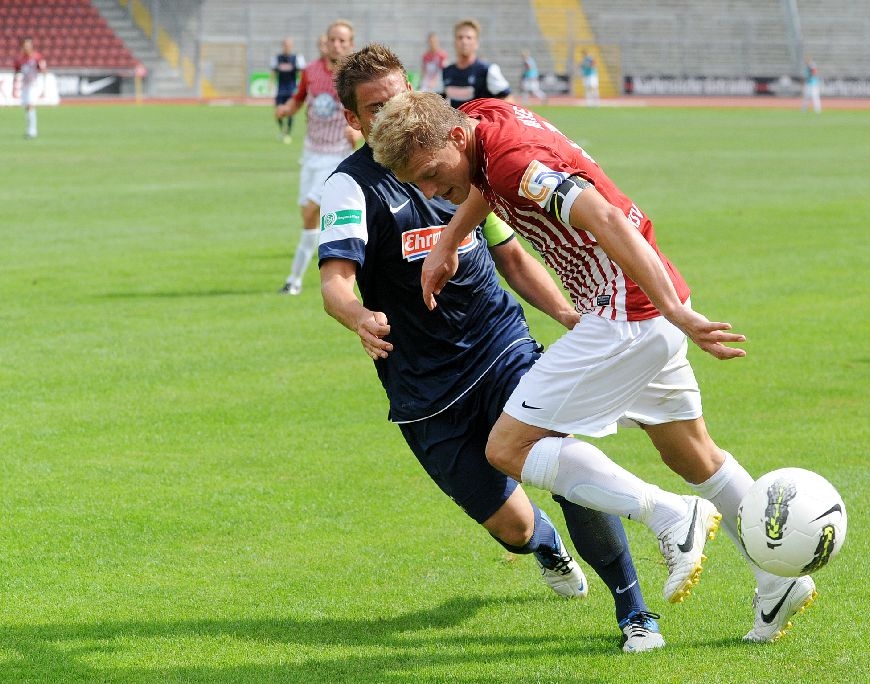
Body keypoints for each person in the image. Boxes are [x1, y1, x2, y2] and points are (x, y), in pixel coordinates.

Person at [368, 91, 820, 644]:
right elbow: (483, 181)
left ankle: (672, 515)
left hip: (622, 312)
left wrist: (678, 313)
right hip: (643, 302)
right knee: (692, 453)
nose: (433, 191)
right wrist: (450, 238)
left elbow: (603, 216)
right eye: (420, 185)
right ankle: (777, 580)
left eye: (434, 175)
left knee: (508, 449)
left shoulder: (517, 163)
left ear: (455, 137)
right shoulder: (483, 118)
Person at [319, 43, 665, 652]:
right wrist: (358, 317)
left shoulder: (464, 163)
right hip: (426, 388)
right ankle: (546, 547)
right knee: (510, 526)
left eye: (398, 95)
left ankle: (634, 611)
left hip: (500, 345)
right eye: (375, 106)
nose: (392, 110)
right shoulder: (350, 188)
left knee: (563, 462)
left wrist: (564, 312)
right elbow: (334, 282)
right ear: (354, 120)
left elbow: (509, 254)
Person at [274, 21, 362, 296]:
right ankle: (296, 280)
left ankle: (296, 279)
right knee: (307, 215)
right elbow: (300, 98)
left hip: (338, 154)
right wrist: (287, 109)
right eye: (333, 39)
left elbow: (368, 108)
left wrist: (357, 128)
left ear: (350, 45)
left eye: (342, 41)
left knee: (312, 210)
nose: (337, 45)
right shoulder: (310, 71)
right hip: (311, 152)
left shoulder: (354, 75)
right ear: (326, 41)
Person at [442, 19, 512, 109]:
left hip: (481, 123)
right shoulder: (445, 72)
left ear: (476, 44)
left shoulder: (488, 70)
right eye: (460, 37)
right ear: (454, 42)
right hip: (457, 123)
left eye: (469, 37)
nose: (464, 41)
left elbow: (508, 99)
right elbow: (434, 102)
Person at [271, 37, 307, 144]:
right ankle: (282, 129)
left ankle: (288, 133)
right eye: (285, 45)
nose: (287, 47)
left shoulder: (296, 58)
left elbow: (301, 73)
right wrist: (270, 85)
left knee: (290, 112)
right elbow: (273, 73)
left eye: (289, 45)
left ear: (291, 46)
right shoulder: (277, 58)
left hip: (292, 89)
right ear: (283, 46)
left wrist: (301, 86)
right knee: (278, 112)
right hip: (280, 90)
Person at [13, 38, 47, 139]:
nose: (27, 47)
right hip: (25, 86)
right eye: (25, 45)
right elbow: (16, 73)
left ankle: (32, 131)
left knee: (31, 105)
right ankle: (30, 129)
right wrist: (14, 87)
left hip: (34, 85)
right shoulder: (19, 59)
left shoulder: (37, 57)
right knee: (27, 107)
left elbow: (44, 71)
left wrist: (44, 88)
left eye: (28, 45)